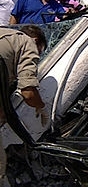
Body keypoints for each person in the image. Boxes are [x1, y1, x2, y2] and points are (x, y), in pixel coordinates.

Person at [0, 25, 49, 187]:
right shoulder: (26, 42)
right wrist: (42, 107)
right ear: (35, 41)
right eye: (39, 53)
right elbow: (28, 92)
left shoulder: (4, 35)